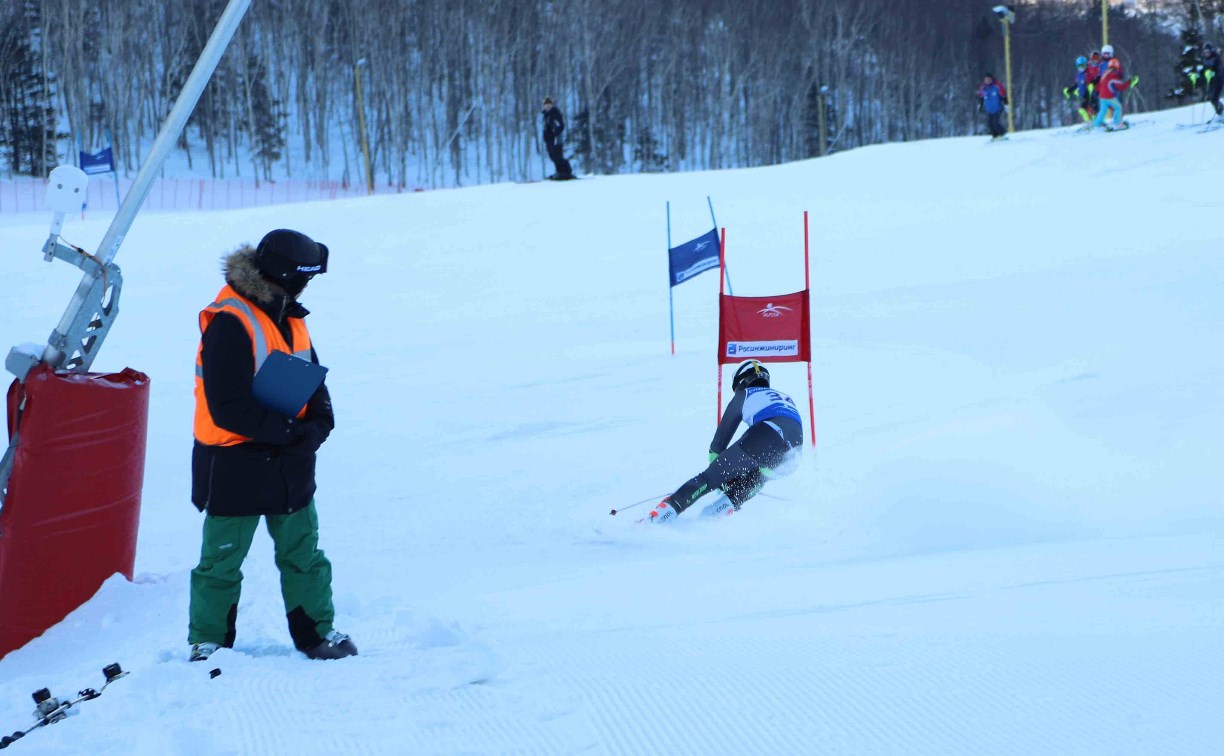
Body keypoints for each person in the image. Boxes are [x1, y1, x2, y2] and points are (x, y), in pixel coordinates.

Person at [188, 229, 357, 662]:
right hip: (234, 461)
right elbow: (227, 407)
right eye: (306, 276)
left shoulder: (290, 314)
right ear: (284, 274)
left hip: (290, 459)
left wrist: (319, 425)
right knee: (220, 564)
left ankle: (317, 635)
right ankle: (208, 644)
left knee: (304, 555)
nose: (309, 284)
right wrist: (289, 434)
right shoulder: (230, 321)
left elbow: (311, 376)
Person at [645, 360, 804, 524]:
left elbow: (720, 440)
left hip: (768, 435)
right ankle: (707, 520)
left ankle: (657, 519)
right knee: (753, 480)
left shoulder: (746, 394)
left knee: (708, 479)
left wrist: (719, 471)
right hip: (792, 456)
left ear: (742, 382)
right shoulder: (786, 398)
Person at [1092, 57, 1138, 131]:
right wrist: (1129, 82)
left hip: (1102, 96)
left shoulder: (1105, 73)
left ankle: (1097, 124)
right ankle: (1117, 123)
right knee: (1118, 107)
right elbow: (1121, 87)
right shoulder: (1113, 75)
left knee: (1103, 110)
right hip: (1109, 96)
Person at [541, 97, 575, 180]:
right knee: (552, 156)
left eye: (549, 105)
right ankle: (559, 171)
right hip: (549, 139)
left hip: (555, 138)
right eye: (546, 105)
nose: (548, 106)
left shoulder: (555, 114)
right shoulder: (546, 115)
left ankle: (566, 171)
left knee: (557, 155)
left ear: (552, 105)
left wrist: (555, 131)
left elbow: (560, 125)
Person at [1063, 56, 1094, 124]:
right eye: (1079, 66)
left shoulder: (1087, 73)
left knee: (1084, 109)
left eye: (1082, 66)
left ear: (1085, 65)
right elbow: (1077, 85)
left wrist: (1089, 92)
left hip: (1089, 95)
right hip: (1082, 96)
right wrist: (1069, 90)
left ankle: (1091, 122)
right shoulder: (1078, 74)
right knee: (1083, 110)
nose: (1081, 68)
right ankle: (1089, 122)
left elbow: (1091, 83)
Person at [977, 74, 1009, 140]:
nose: (987, 81)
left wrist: (1006, 105)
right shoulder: (983, 88)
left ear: (992, 80)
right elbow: (981, 97)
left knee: (995, 123)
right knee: (990, 124)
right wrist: (980, 105)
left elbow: (1004, 96)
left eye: (989, 80)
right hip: (989, 109)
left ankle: (1003, 134)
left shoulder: (997, 86)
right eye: (986, 80)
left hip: (998, 108)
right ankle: (995, 136)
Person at [1203, 43, 1223, 120]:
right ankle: (1220, 113)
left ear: (1211, 51)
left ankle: (1221, 113)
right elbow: (1204, 70)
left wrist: (1213, 73)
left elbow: (1220, 70)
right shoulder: (1205, 59)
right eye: (1205, 52)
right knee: (1211, 99)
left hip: (1219, 81)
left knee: (1214, 99)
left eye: (1208, 51)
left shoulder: (1216, 58)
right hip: (1211, 82)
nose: (1206, 53)